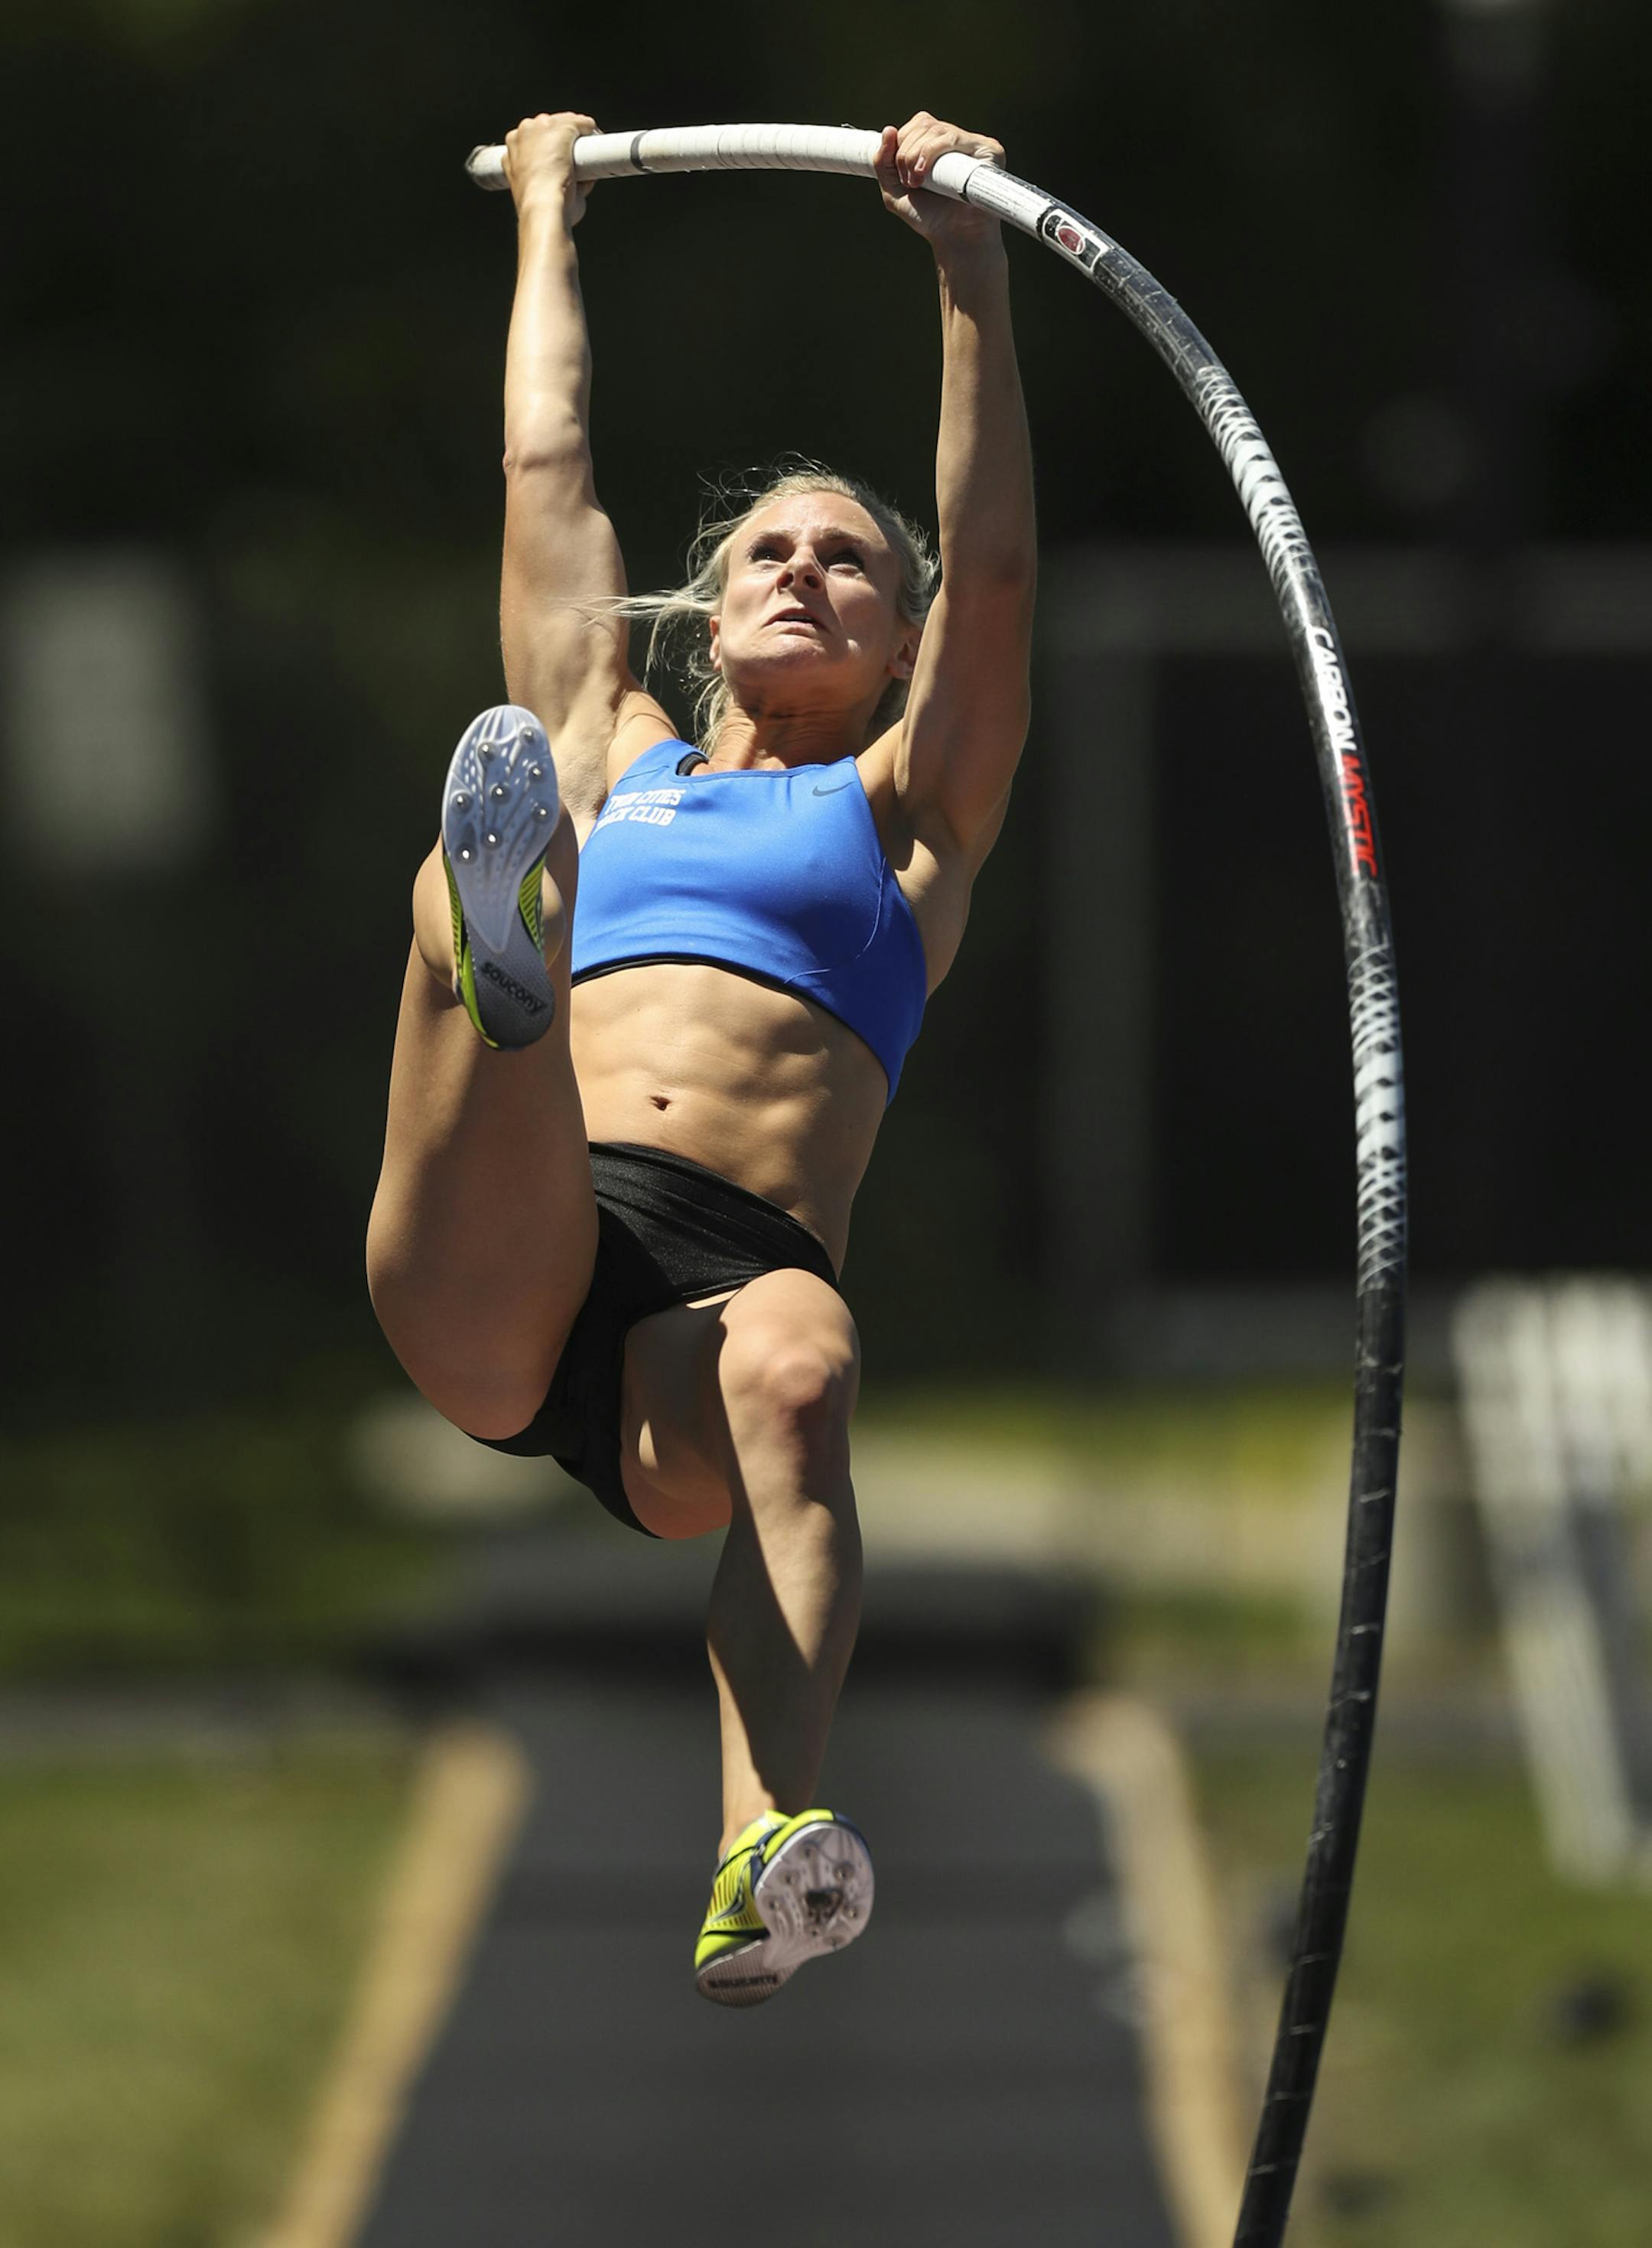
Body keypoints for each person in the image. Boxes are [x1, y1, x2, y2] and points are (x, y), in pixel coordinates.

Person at [366, 109, 1035, 2006]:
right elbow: (543, 461)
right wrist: (551, 215)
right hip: (515, 1234)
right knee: (494, 831)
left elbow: (993, 575)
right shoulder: (611, 741)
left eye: (851, 561)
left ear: (900, 646)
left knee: (808, 1354)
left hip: (707, 1319)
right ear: (709, 600)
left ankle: (766, 1851)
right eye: (771, 547)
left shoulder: (911, 822)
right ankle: (490, 966)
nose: (809, 570)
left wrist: (967, 264)